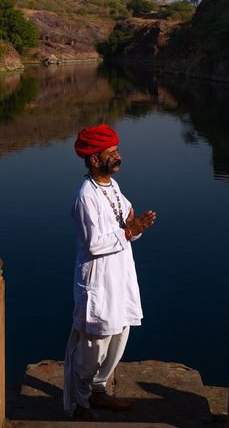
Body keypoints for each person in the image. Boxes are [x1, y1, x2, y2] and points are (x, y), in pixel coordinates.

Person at [63, 124, 156, 421]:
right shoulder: (86, 196)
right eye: (112, 153)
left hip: (120, 276)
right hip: (98, 280)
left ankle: (99, 392)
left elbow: (126, 221)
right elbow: (94, 243)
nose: (119, 157)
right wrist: (129, 231)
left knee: (120, 334)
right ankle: (80, 403)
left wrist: (135, 226)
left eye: (117, 151)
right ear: (94, 159)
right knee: (94, 345)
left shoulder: (113, 187)